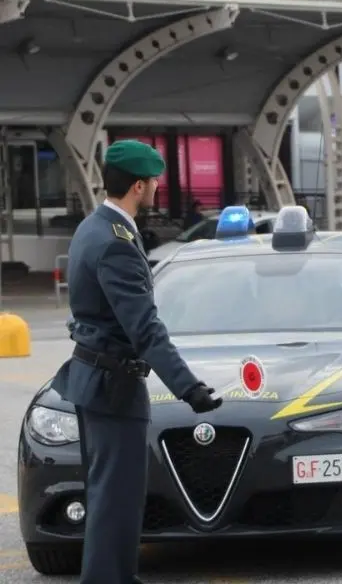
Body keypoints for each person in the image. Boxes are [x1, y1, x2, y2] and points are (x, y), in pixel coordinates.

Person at [50, 139, 223, 584]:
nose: (156, 190)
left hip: (96, 378)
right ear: (140, 186)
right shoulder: (117, 243)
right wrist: (189, 388)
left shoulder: (93, 227)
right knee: (116, 497)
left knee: (111, 493)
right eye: (154, 184)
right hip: (113, 386)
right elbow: (143, 327)